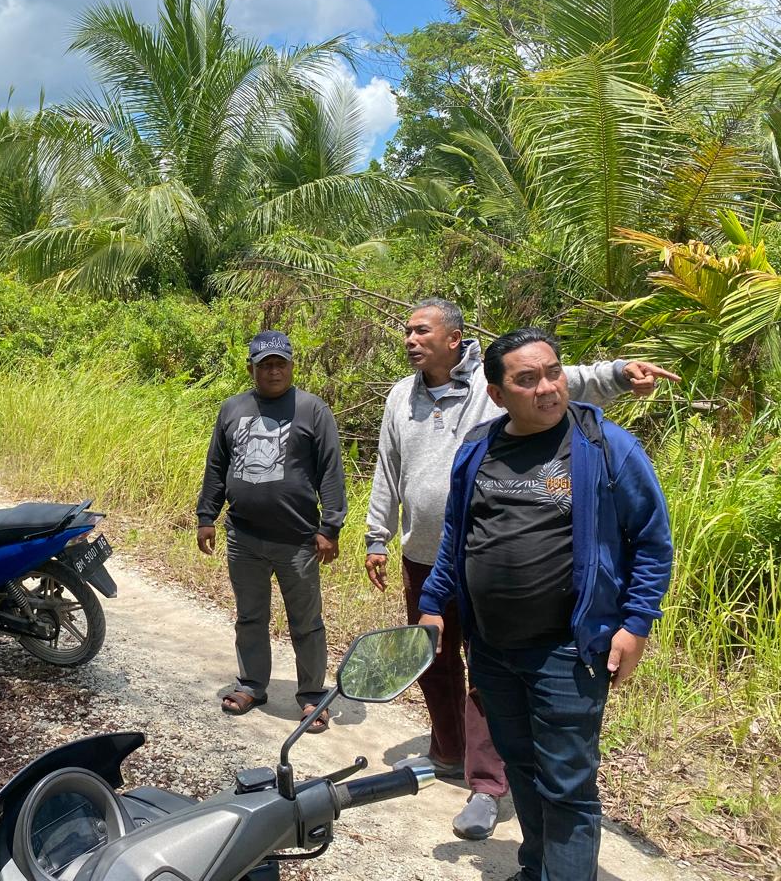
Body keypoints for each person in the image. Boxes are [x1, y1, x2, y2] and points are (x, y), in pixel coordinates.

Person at [363, 298, 678, 840]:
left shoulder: (514, 390)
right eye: (407, 331)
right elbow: (388, 467)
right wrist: (377, 534)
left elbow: (558, 379)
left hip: (537, 611)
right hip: (432, 557)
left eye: (422, 330)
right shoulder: (401, 396)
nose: (410, 339)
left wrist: (620, 375)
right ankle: (448, 752)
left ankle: (486, 784)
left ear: (455, 338)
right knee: (438, 663)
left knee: (506, 702)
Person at [196, 330, 346, 733]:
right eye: (265, 364)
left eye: (280, 363)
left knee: (306, 622)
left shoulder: (313, 410)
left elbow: (331, 471)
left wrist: (330, 526)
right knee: (250, 616)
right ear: (252, 369)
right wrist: (206, 516)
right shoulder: (232, 409)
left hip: (297, 540)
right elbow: (216, 466)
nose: (274, 370)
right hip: (243, 537)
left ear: (291, 366)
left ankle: (313, 695)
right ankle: (251, 684)